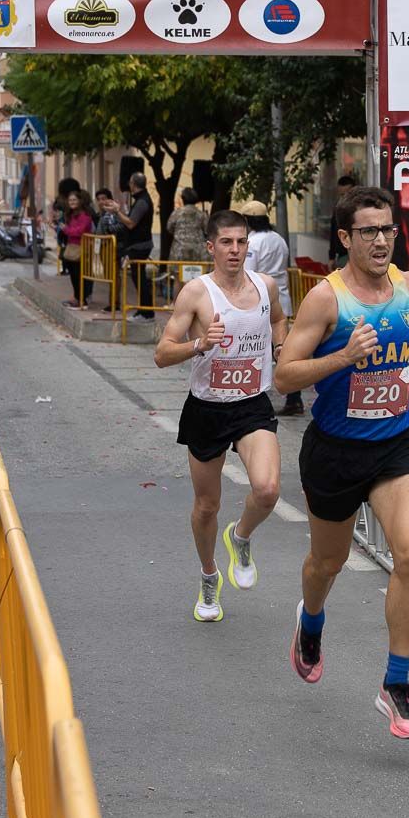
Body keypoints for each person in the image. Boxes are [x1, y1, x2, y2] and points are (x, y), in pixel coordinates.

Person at [275, 186, 409, 741]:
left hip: (393, 445)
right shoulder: (326, 301)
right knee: (328, 563)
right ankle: (311, 620)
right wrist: (344, 357)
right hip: (334, 450)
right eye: (368, 231)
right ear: (345, 238)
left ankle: (396, 685)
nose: (381, 240)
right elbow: (284, 375)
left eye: (388, 229)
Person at [154, 210, 288, 621]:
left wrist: (281, 350)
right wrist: (199, 344)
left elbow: (280, 321)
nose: (235, 250)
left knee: (266, 490)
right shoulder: (196, 293)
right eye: (226, 243)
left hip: (251, 405)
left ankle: (241, 537)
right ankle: (209, 576)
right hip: (207, 408)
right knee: (207, 506)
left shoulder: (265, 286)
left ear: (250, 244)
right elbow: (162, 354)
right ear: (211, 247)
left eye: (241, 242)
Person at [242, 198, 304, 417]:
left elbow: (247, 274)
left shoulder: (252, 242)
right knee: (284, 351)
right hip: (283, 300)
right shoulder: (279, 239)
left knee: (256, 351)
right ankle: (294, 397)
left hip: (261, 302)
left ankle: (254, 397)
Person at [103, 173, 155, 320]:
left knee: (140, 279)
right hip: (138, 244)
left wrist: (117, 211)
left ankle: (147, 312)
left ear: (133, 184)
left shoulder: (142, 202)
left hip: (140, 245)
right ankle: (143, 310)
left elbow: (131, 223)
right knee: (138, 279)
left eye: (130, 182)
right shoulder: (140, 199)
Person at [60, 191, 94, 308]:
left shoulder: (85, 216)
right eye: (70, 200)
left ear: (80, 201)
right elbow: (70, 231)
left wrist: (66, 229)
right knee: (74, 275)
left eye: (74, 200)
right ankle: (77, 298)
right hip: (72, 248)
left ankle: (82, 300)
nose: (72, 202)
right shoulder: (71, 215)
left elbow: (79, 232)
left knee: (79, 275)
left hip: (82, 248)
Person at [167, 187, 209, 262]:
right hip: (198, 252)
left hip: (179, 251)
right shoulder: (201, 215)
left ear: (183, 199)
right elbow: (207, 231)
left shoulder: (176, 213)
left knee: (178, 273)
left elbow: (169, 228)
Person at [327, 174, 357, 270]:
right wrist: (331, 257)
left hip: (357, 253)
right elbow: (333, 234)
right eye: (341, 195)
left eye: (347, 194)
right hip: (343, 255)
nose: (344, 198)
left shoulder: (361, 210)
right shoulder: (338, 209)